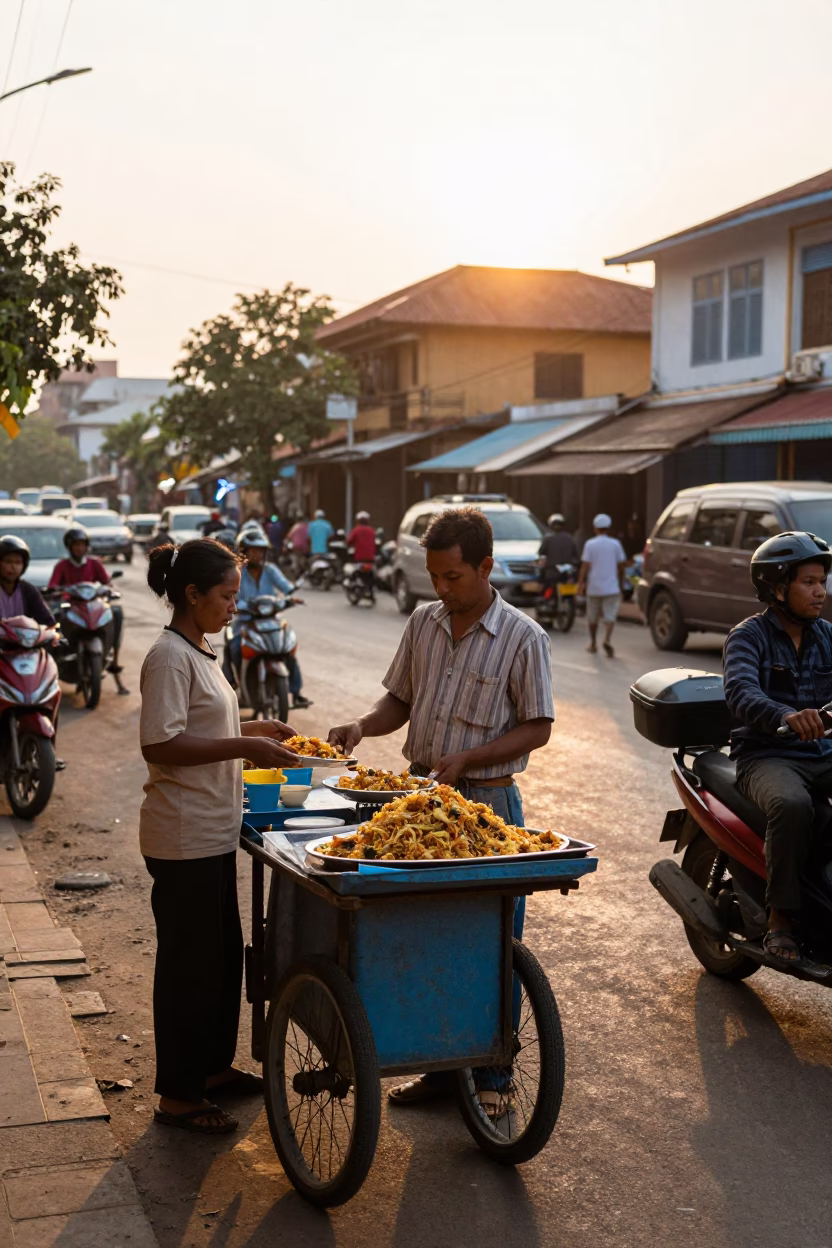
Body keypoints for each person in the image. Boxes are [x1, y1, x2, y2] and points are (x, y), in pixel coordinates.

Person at [328, 507, 554, 1111]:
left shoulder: (523, 637)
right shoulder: (424, 623)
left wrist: (470, 758)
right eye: (435, 576)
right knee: (423, 936)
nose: (442, 588)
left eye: (453, 577)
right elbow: (398, 700)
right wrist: (360, 726)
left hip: (486, 805)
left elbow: (537, 727)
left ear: (484, 566)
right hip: (419, 803)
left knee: (490, 944)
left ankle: (492, 1079)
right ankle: (437, 1064)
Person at [140, 537, 300, 1135]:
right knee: (188, 967)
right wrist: (246, 745)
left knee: (220, 959)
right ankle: (178, 1096)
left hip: (211, 832)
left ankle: (211, 1070)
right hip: (180, 836)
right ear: (192, 594)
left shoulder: (201, 649)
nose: (236, 604)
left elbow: (205, 721)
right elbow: (160, 742)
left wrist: (255, 727)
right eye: (227, 595)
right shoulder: (167, 655)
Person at [723, 531, 832, 964]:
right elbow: (741, 692)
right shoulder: (748, 637)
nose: (820, 591)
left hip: (821, 754)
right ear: (777, 588)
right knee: (791, 804)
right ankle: (780, 918)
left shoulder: (826, 636)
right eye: (808, 581)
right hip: (766, 756)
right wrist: (785, 715)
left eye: (822, 580)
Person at [223, 531, 312, 710]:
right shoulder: (237, 572)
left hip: (269, 620)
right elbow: (232, 594)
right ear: (244, 552)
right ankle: (234, 684)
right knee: (234, 646)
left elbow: (285, 587)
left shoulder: (270, 570)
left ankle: (295, 692)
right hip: (245, 621)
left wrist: (291, 597)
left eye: (261, 551)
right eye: (253, 551)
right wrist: (237, 603)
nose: (258, 555)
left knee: (287, 647)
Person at [49, 525, 129, 694]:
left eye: (82, 544)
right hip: (72, 606)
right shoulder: (62, 566)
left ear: (86, 546)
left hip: (93, 605)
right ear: (69, 547)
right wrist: (57, 591)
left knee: (116, 612)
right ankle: (52, 662)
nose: (79, 548)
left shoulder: (94, 563)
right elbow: (53, 585)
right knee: (52, 618)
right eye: (75, 545)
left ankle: (114, 658)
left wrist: (108, 588)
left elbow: (106, 582)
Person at [577, 513, 626, 658]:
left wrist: (580, 585)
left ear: (595, 528)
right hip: (611, 586)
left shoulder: (590, 544)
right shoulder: (615, 544)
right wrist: (621, 584)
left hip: (594, 587)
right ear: (608, 528)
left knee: (592, 617)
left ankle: (593, 643)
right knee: (610, 616)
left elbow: (585, 566)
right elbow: (621, 566)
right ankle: (607, 639)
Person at [0, 535, 55, 626]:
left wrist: (55, 635)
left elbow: (47, 621)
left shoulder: (28, 590)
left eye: (18, 562)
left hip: (24, 639)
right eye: (8, 562)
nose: (13, 567)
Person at [539, 514, 579, 579]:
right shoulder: (569, 538)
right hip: (566, 573)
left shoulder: (548, 538)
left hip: (551, 572)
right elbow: (576, 555)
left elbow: (541, 552)